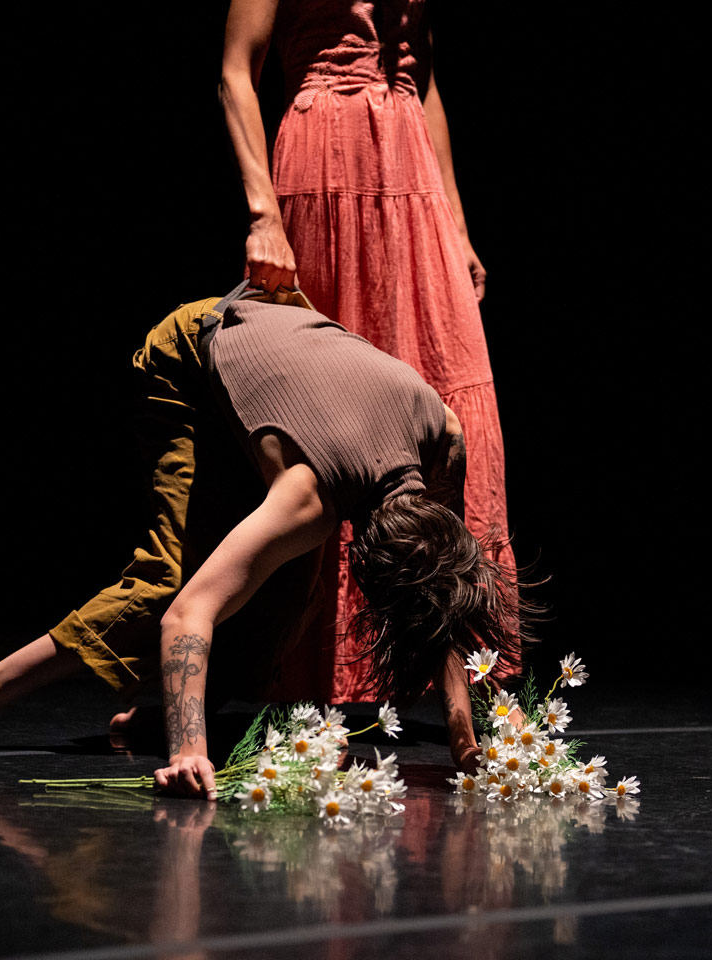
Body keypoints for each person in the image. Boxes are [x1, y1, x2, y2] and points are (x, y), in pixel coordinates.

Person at [0, 287, 531, 796]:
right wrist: (189, 754)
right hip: (188, 357)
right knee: (174, 581)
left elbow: (437, 591)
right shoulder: (308, 501)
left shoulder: (443, 435)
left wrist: (464, 736)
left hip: (273, 376)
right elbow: (191, 614)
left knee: (285, 586)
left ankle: (167, 713)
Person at [220, 0, 517, 702]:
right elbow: (237, 72)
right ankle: (315, 670)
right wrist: (263, 214)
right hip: (323, 165)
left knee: (451, 404)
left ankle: (454, 671)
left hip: (411, 175)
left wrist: (458, 223)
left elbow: (424, 81)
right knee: (334, 418)